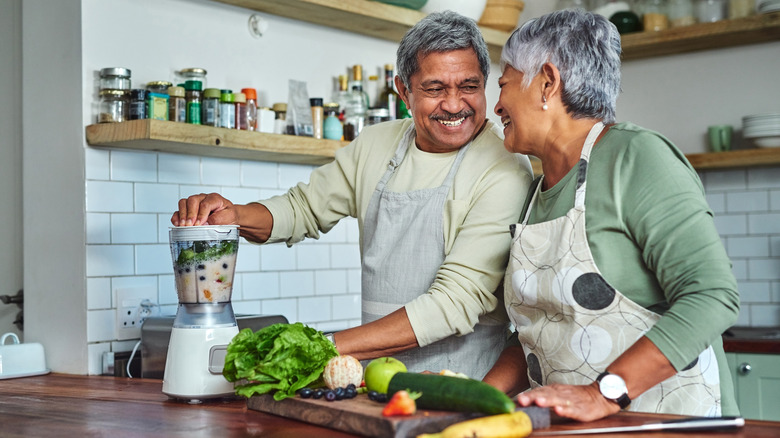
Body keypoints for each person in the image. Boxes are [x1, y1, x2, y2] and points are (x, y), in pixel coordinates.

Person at [172, 11, 534, 379]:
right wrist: (235, 215)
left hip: (463, 391)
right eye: (435, 89)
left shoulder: (504, 168)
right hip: (373, 385)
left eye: (469, 87)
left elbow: (454, 302)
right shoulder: (377, 144)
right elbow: (304, 209)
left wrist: (321, 347)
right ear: (404, 91)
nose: (454, 105)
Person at [481, 9, 740, 422]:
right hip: (568, 427)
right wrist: (473, 397)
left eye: (505, 85)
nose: (497, 105)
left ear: (547, 82)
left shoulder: (637, 157)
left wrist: (603, 394)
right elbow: (539, 336)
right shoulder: (534, 194)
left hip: (664, 423)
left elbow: (712, 296)